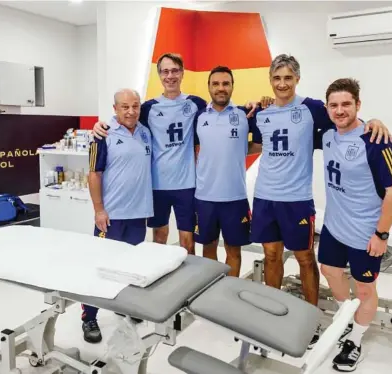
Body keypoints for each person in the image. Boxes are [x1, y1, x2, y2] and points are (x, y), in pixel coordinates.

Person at [249, 54, 392, 349]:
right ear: (270, 81)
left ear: (297, 79)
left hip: (297, 200)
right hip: (265, 197)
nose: (282, 83)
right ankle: (272, 313)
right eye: (277, 78)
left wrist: (374, 121)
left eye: (288, 77)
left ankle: (311, 319)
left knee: (305, 259)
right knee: (272, 257)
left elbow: (347, 121)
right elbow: (253, 141)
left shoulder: (312, 108)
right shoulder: (261, 113)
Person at [92, 53, 260, 254]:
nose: (170, 76)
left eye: (174, 71)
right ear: (159, 75)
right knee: (159, 239)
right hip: (156, 186)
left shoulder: (195, 104)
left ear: (182, 73)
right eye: (165, 71)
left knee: (187, 243)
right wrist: (100, 125)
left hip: (187, 185)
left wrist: (249, 107)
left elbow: (220, 110)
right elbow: (125, 118)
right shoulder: (147, 108)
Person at [318, 78, 392, 371]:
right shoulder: (328, 134)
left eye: (346, 104)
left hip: (365, 232)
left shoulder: (377, 141)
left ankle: (355, 340)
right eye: (334, 105)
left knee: (365, 290)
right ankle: (346, 318)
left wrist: (381, 234)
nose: (339, 110)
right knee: (329, 271)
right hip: (334, 226)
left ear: (358, 105)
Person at [82, 88, 153, 344]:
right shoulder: (102, 136)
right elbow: (93, 174)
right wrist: (98, 209)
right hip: (111, 216)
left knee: (130, 268)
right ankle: (89, 316)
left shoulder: (146, 132)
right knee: (101, 268)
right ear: (115, 109)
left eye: (135, 106)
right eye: (125, 107)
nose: (131, 111)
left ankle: (123, 306)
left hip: (138, 215)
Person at [193, 66, 262, 276]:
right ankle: (212, 294)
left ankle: (230, 294)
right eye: (216, 84)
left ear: (232, 86)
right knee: (208, 248)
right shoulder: (199, 116)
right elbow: (194, 147)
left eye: (225, 83)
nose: (221, 88)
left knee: (234, 250)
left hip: (235, 197)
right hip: (205, 196)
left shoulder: (245, 114)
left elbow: (259, 145)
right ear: (209, 87)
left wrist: (239, 147)